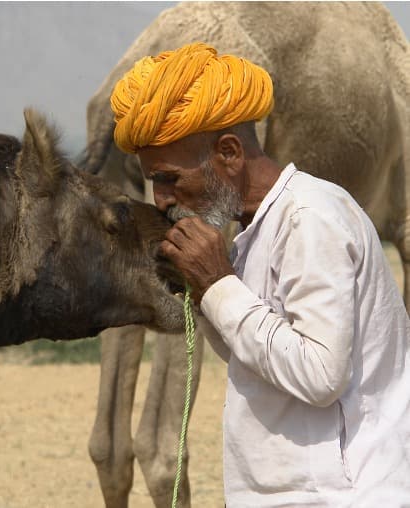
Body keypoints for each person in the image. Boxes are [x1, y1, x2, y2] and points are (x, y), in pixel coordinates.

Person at [110, 41, 410, 506]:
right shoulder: (259, 227)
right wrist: (204, 297)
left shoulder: (309, 218)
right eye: (154, 182)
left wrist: (217, 284)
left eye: (169, 178)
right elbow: (261, 357)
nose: (162, 200)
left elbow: (318, 373)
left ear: (229, 152)